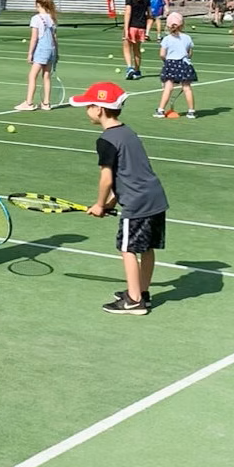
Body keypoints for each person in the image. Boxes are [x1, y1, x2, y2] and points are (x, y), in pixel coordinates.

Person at [70, 81, 169, 315]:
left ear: (99, 110)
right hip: (155, 198)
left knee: (127, 250)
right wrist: (111, 203)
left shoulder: (106, 140)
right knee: (146, 248)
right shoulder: (128, 132)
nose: (87, 110)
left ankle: (134, 301)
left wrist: (99, 203)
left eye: (89, 106)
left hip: (136, 203)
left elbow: (107, 178)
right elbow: (127, 172)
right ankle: (141, 292)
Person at [15, 0, 58, 111]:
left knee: (32, 76)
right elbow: (55, 38)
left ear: (38, 4)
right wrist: (56, 53)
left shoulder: (36, 18)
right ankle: (46, 103)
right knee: (46, 76)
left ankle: (29, 103)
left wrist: (30, 53)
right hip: (51, 50)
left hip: (41, 50)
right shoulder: (52, 18)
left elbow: (34, 38)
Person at [153, 12, 197, 118]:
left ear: (168, 25)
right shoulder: (187, 38)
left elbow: (162, 54)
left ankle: (161, 110)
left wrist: (166, 61)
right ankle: (191, 111)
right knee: (187, 88)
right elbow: (190, 53)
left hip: (171, 64)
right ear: (182, 25)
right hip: (184, 64)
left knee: (168, 87)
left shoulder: (166, 39)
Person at [123, 0, 150, 80]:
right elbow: (150, 14)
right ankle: (137, 70)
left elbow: (128, 12)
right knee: (137, 50)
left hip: (131, 26)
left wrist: (126, 29)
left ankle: (130, 68)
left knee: (126, 48)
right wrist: (147, 30)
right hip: (141, 27)